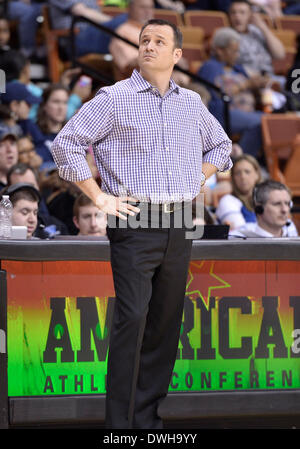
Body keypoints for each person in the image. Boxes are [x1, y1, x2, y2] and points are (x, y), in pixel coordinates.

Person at [51, 18, 232, 429]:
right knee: (132, 319)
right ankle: (119, 425)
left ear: (177, 55)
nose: (149, 46)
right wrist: (98, 197)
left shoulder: (191, 103)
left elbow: (222, 146)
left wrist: (196, 177)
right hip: (135, 222)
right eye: (144, 40)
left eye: (159, 41)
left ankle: (148, 420)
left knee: (165, 327)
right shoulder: (114, 98)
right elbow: (66, 144)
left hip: (182, 222)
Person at [198, 27, 267, 158]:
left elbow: (252, 86)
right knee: (261, 122)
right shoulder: (210, 67)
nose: (237, 55)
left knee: (274, 120)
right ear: (219, 50)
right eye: (233, 51)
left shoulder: (237, 68)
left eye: (237, 51)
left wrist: (258, 86)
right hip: (223, 114)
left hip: (248, 112)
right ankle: (241, 161)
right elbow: (216, 94)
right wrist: (246, 85)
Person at [48, 0, 128, 57]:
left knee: (128, 28)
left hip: (93, 32)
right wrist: (115, 23)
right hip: (75, 39)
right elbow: (81, 11)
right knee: (126, 21)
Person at [228, 0, 285, 78]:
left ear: (250, 15)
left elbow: (280, 54)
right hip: (245, 79)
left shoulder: (257, 31)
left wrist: (263, 27)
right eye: (233, 13)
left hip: (270, 77)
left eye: (242, 12)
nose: (237, 16)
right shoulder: (227, 36)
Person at [231, 179, 298, 237]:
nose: (285, 210)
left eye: (287, 204)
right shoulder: (238, 238)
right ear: (259, 208)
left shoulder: (292, 234)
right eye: (277, 204)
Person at [109, 0, 154, 80]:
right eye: (143, 7)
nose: (147, 11)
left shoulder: (158, 32)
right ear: (130, 9)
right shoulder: (122, 32)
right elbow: (130, 65)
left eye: (150, 7)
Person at [216, 154, 263, 229]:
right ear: (233, 178)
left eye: (247, 172)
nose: (243, 177)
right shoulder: (227, 201)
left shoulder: (266, 199)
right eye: (238, 173)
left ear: (257, 174)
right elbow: (240, 232)